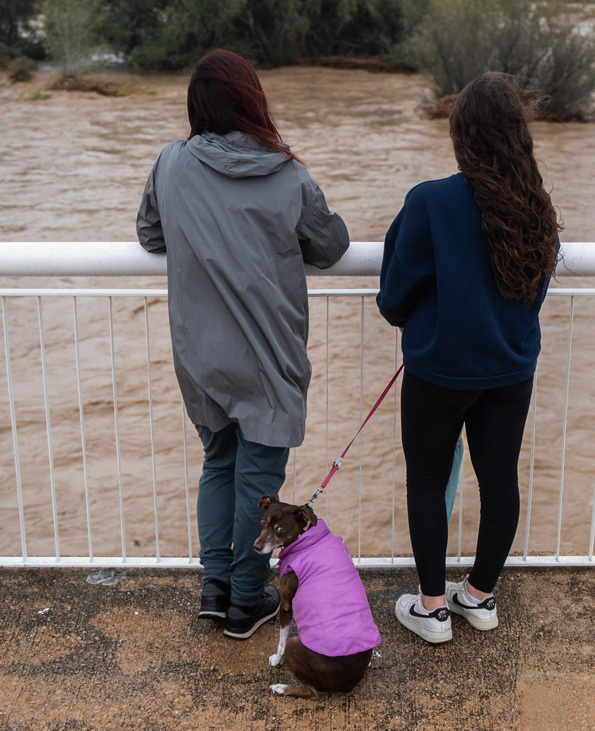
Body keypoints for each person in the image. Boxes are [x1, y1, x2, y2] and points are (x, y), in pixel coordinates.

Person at [137, 49, 350, 640]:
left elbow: (149, 233)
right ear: (253, 101)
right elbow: (331, 246)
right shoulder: (288, 173)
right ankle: (245, 599)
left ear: (197, 106)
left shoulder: (171, 163)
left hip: (200, 354)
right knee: (259, 480)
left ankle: (215, 589)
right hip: (268, 357)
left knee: (218, 464)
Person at [377, 73, 560, 644]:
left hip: (439, 367)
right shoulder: (535, 206)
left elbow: (394, 295)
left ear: (462, 137)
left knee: (428, 480)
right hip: (510, 367)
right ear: (518, 135)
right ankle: (479, 598)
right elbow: (534, 292)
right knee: (499, 481)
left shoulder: (429, 201)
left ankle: (432, 610)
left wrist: (420, 318)